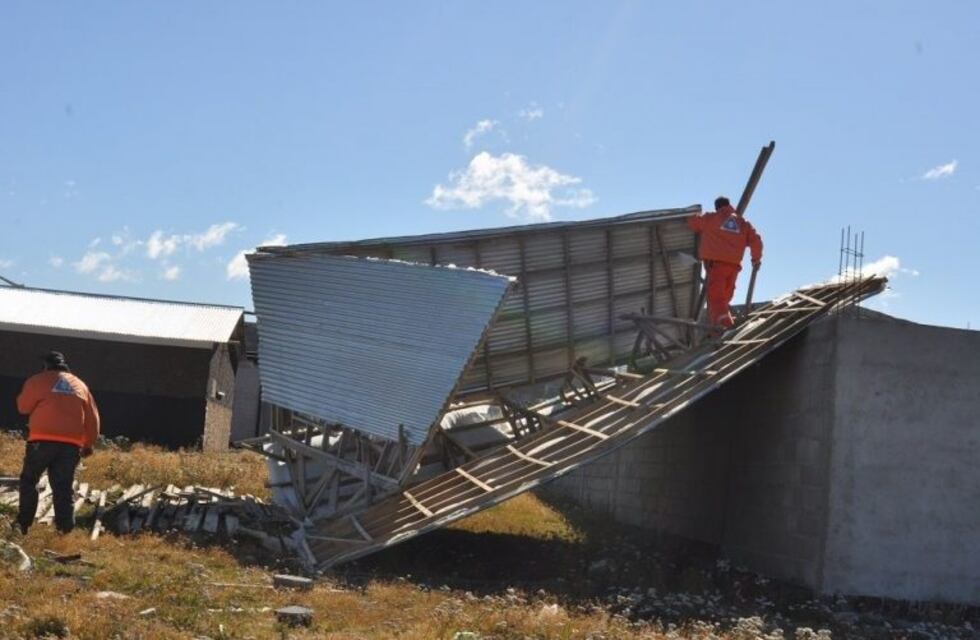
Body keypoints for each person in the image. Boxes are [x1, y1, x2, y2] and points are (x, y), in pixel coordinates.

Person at [14, 351, 100, 535]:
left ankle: (23, 525)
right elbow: (93, 418)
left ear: (45, 366)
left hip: (41, 440)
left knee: (29, 480)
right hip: (70, 445)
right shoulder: (80, 385)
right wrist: (88, 444)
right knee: (63, 486)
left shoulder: (38, 380)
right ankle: (64, 530)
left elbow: (23, 407)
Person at [687, 196, 763, 330]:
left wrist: (692, 215)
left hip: (716, 266)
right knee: (724, 299)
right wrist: (755, 259)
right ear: (729, 205)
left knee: (716, 299)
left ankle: (724, 329)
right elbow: (756, 241)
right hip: (733, 268)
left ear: (717, 207)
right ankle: (723, 326)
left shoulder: (711, 218)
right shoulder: (742, 223)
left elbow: (692, 223)